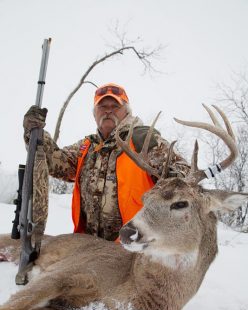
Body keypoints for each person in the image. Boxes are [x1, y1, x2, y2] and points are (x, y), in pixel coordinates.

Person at [23, 83, 189, 241]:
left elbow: (184, 173)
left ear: (127, 112)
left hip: (132, 248)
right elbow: (53, 161)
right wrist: (35, 134)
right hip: (88, 247)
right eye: (102, 107)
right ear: (94, 113)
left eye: (115, 106)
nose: (108, 111)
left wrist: (175, 178)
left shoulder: (143, 140)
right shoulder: (87, 147)